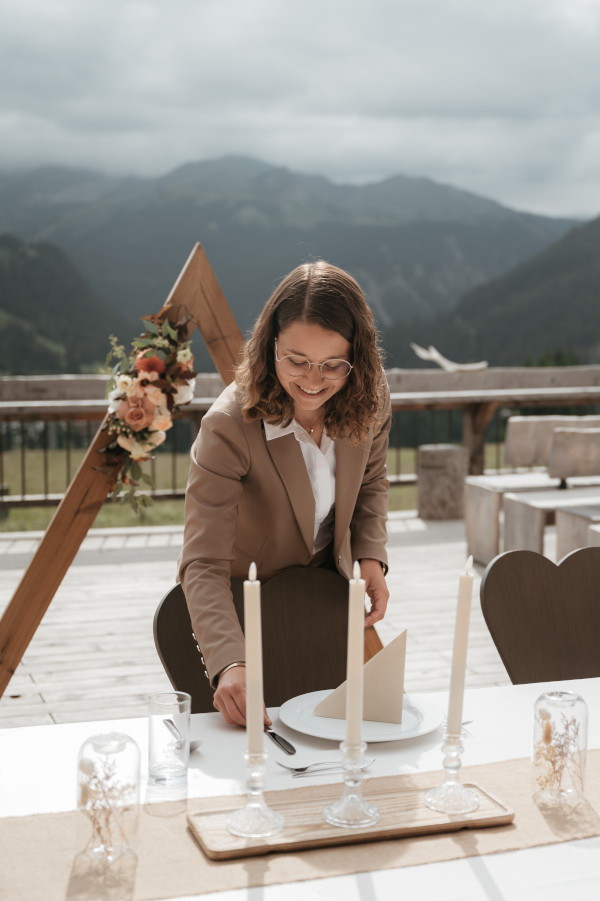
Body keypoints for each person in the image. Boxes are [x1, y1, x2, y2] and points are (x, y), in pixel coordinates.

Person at [178, 260, 391, 727]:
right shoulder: (227, 426)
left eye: (333, 364)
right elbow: (203, 562)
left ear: (359, 357)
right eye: (296, 360)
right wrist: (229, 662)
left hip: (324, 603)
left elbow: (371, 481)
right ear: (269, 344)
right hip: (239, 613)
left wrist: (370, 554)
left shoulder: (370, 402)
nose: (314, 381)